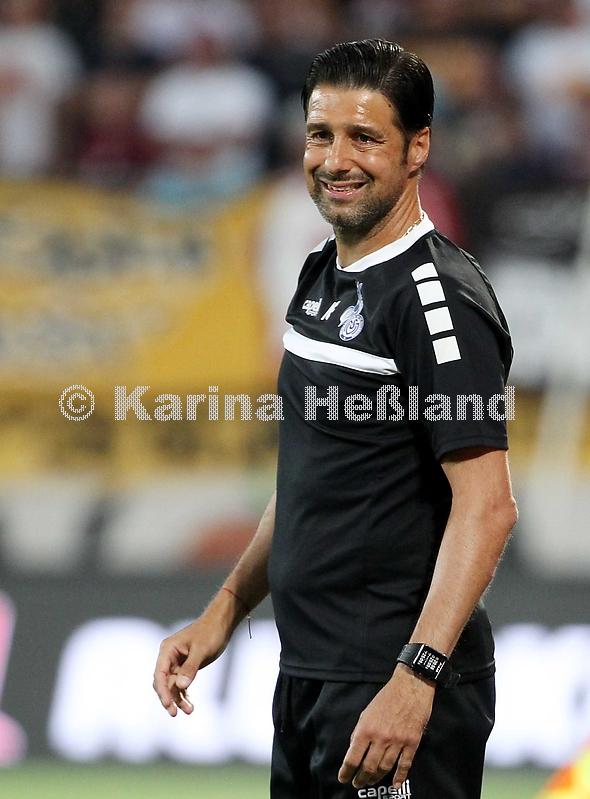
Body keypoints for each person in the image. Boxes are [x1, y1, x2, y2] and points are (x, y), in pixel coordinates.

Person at [153, 39, 518, 799]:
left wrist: (414, 679)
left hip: (391, 682)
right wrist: (226, 607)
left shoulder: (437, 302)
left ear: (418, 148)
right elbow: (311, 475)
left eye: (364, 137)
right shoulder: (321, 273)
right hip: (308, 679)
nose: (336, 159)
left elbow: (487, 507)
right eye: (321, 134)